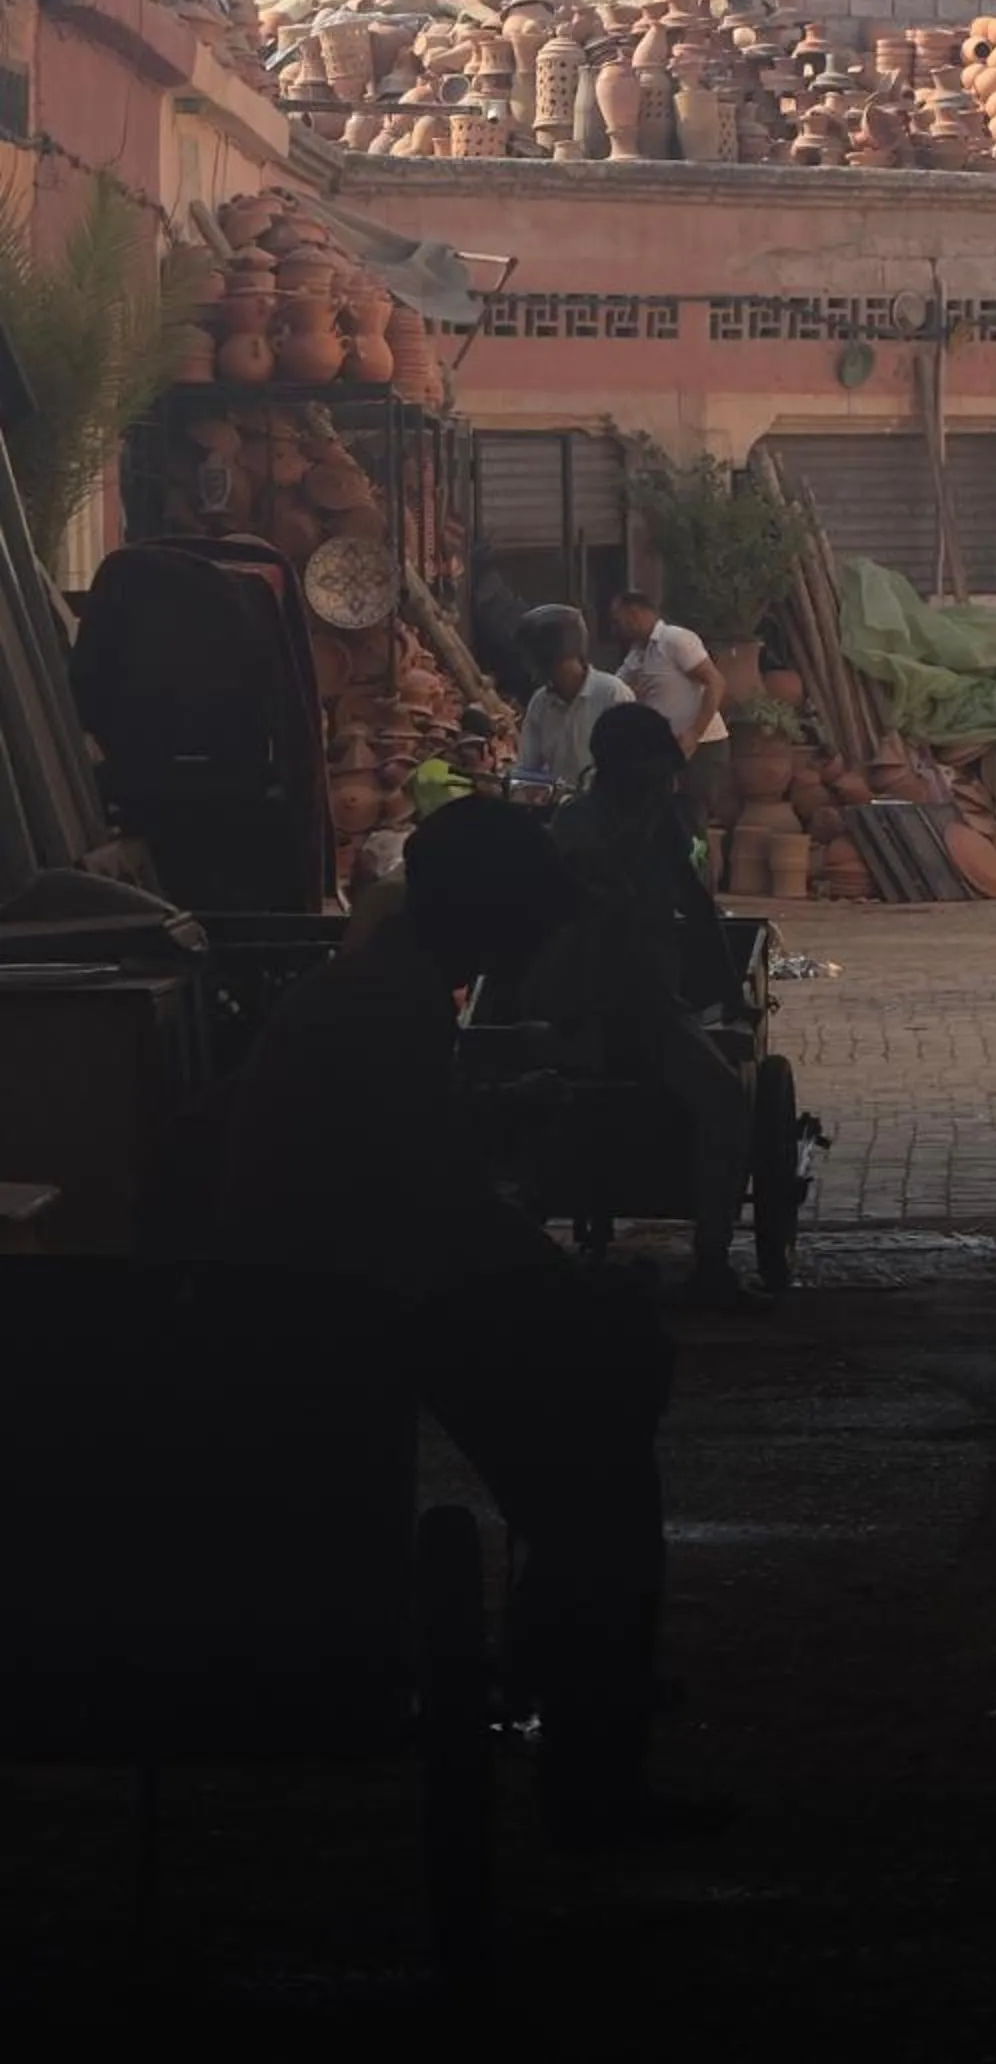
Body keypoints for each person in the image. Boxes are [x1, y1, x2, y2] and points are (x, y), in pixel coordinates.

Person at [147, 795, 675, 1829]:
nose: (537, 937)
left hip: (328, 1284)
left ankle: (565, 1682)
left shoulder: (376, 988)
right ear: (487, 915)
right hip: (337, 1306)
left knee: (585, 1402)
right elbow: (443, 1210)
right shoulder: (387, 1005)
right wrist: (573, 1285)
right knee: (598, 1462)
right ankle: (587, 1751)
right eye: (526, 916)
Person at [530, 701, 756, 1307]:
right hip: (593, 1003)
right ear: (624, 768)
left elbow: (694, 903)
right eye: (657, 769)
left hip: (652, 1001)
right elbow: (592, 913)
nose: (667, 781)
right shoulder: (578, 829)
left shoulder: (660, 826)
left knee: (722, 1100)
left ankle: (711, 1260)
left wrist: (730, 988)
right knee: (723, 1100)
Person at [610, 589, 732, 835]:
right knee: (665, 825)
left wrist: (694, 734)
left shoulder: (675, 640)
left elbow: (716, 681)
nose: (616, 627)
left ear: (633, 614)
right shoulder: (637, 654)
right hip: (665, 753)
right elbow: (614, 690)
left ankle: (700, 872)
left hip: (701, 747)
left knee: (692, 823)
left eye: (617, 619)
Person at [515, 603, 632, 794]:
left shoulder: (612, 694)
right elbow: (527, 768)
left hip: (609, 810)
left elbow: (630, 765)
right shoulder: (540, 703)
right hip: (560, 811)